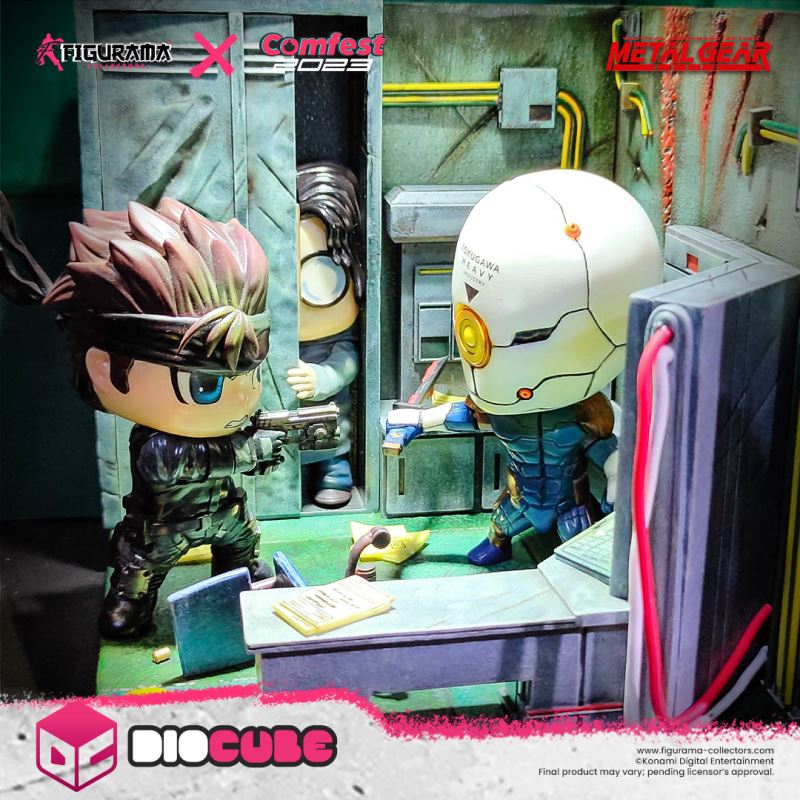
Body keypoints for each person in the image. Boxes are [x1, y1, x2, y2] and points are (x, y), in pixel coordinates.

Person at [0, 194, 284, 636]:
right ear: (105, 370)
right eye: (204, 385)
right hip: (164, 526)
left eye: (251, 374)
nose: (241, 398)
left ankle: (240, 580)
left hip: (226, 513)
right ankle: (132, 601)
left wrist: (262, 451)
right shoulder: (159, 445)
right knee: (138, 572)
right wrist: (246, 454)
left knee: (242, 547)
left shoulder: (233, 425)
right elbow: (171, 463)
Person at [286, 163, 363, 508]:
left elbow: (347, 365)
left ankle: (334, 472)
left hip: (329, 417)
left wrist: (321, 377)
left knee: (331, 443)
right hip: (286, 425)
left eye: (321, 277)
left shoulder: (337, 338)